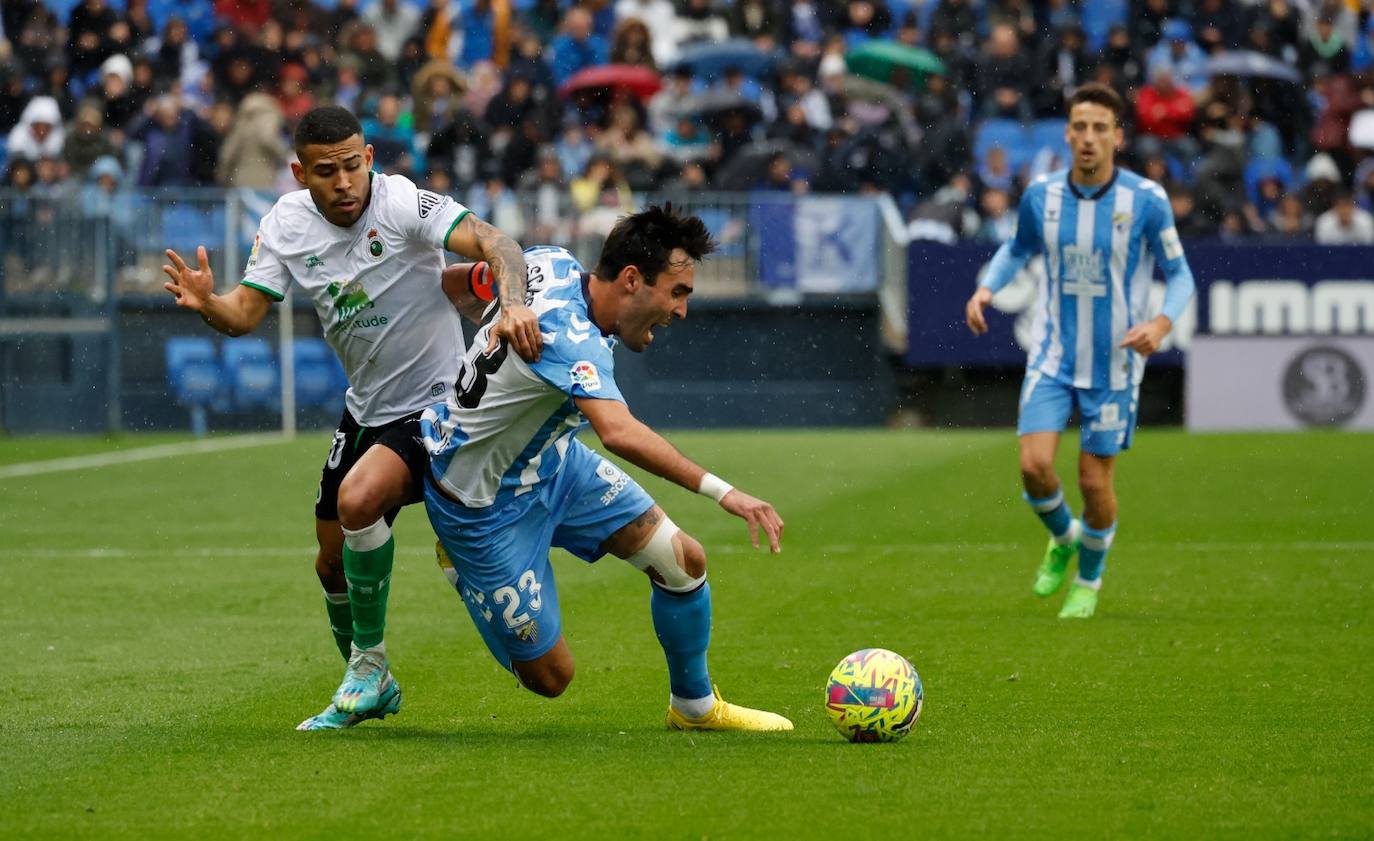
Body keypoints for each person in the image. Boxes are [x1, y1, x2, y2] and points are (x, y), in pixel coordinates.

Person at [160, 105, 542, 729]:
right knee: (329, 561)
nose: (343, 183)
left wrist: (515, 304)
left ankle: (371, 659)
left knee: (358, 502)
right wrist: (208, 302)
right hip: (365, 409)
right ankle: (375, 682)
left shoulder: (401, 205)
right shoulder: (285, 223)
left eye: (352, 166)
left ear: (369, 159)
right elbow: (245, 316)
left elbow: (499, 243)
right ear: (299, 173)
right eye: (325, 171)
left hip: (440, 404)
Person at [424, 206, 792, 731]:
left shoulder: (549, 263)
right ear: (632, 279)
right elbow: (618, 432)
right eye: (677, 292)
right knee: (551, 678)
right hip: (482, 508)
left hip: (552, 462)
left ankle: (694, 706)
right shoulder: (571, 338)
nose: (681, 310)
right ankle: (460, 567)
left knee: (683, 560)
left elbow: (456, 280)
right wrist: (724, 492)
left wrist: (498, 315)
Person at [963, 83, 1196, 619]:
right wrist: (986, 288)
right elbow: (1017, 248)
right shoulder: (1041, 196)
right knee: (1033, 465)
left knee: (1095, 481)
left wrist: (1161, 322)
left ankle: (1088, 581)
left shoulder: (1146, 201)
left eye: (1100, 128)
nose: (1089, 138)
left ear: (1118, 136)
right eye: (1080, 127)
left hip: (1114, 364)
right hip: (1052, 356)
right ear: (1068, 134)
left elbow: (1180, 273)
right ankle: (1065, 538)